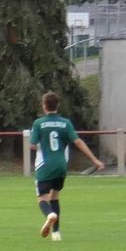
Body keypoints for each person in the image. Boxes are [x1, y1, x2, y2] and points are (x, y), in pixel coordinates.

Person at [29, 90, 104, 242]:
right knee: (55, 196)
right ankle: (56, 233)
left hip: (45, 166)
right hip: (61, 166)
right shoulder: (65, 123)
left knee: (42, 198)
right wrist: (95, 160)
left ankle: (50, 215)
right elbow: (77, 142)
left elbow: (32, 145)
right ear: (58, 105)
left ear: (44, 106)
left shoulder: (38, 123)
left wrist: (41, 145)